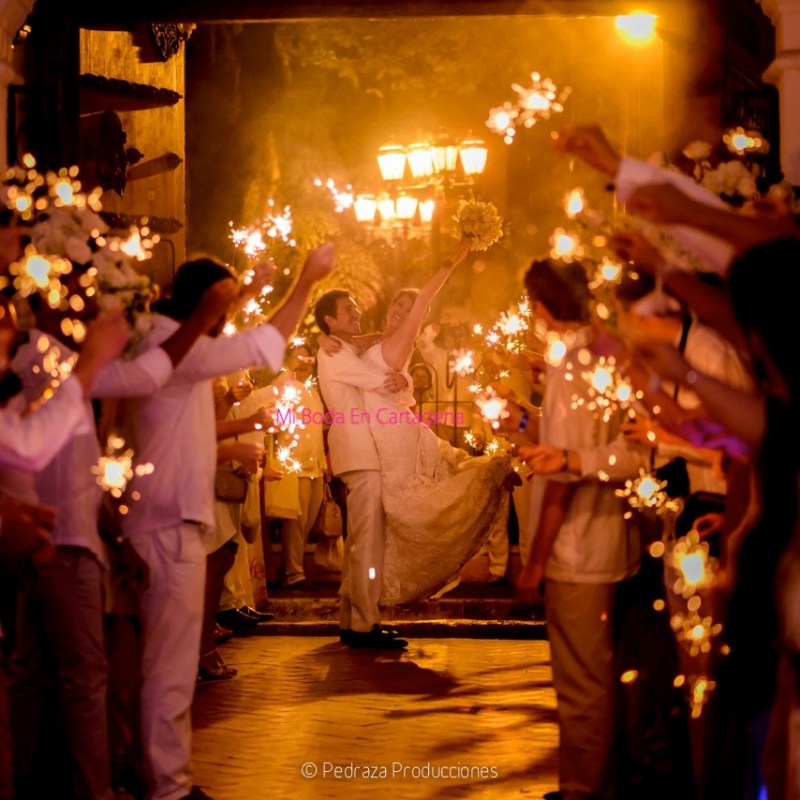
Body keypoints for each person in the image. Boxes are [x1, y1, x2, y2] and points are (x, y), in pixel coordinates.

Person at [116, 243, 334, 800]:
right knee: (168, 664)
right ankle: (166, 785)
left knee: (161, 660)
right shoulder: (174, 345)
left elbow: (217, 358)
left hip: (160, 516)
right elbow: (265, 341)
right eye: (222, 304)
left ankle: (152, 771)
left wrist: (248, 291)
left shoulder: (166, 341)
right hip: (166, 523)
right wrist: (307, 280)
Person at [515, 259, 651, 800]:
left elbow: (564, 477)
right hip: (615, 540)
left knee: (580, 682)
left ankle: (583, 789)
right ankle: (602, 779)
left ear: (542, 308)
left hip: (577, 547)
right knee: (602, 674)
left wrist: (535, 562)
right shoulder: (608, 354)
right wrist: (523, 418)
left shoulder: (574, 368)